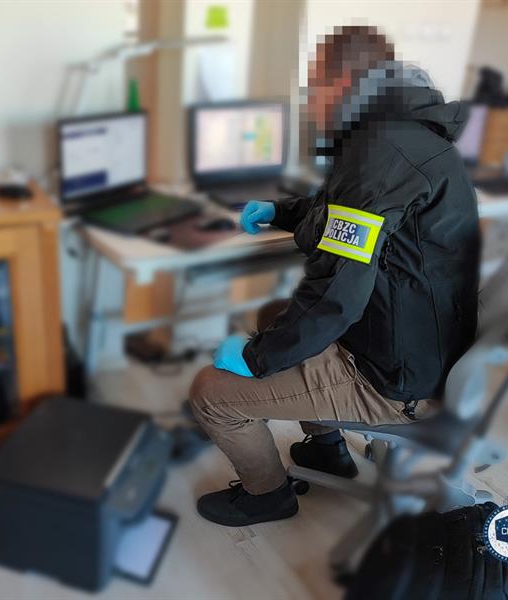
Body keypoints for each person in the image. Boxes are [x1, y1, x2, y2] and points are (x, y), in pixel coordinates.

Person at [189, 25, 480, 527]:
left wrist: (258, 358)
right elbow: (340, 214)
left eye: (314, 85)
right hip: (415, 346)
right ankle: (327, 450)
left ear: (343, 83)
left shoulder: (379, 155)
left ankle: (267, 495)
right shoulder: (398, 135)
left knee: (210, 393)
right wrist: (281, 211)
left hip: (393, 380)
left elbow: (336, 295)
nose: (308, 100)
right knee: (274, 313)